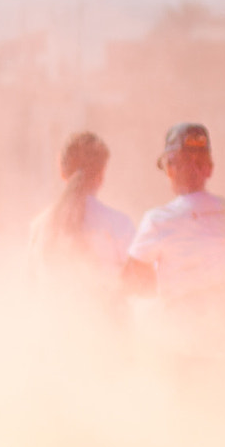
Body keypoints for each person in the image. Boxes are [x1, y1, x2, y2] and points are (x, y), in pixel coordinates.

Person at [123, 123, 225, 391]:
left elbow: (132, 282)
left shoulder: (159, 220)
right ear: (210, 168)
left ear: (172, 168)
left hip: (189, 351)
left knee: (191, 426)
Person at [28, 132, 134, 332]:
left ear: (62, 171)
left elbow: (31, 286)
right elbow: (136, 284)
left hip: (54, 334)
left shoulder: (39, 226)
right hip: (107, 335)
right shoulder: (118, 224)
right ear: (101, 174)